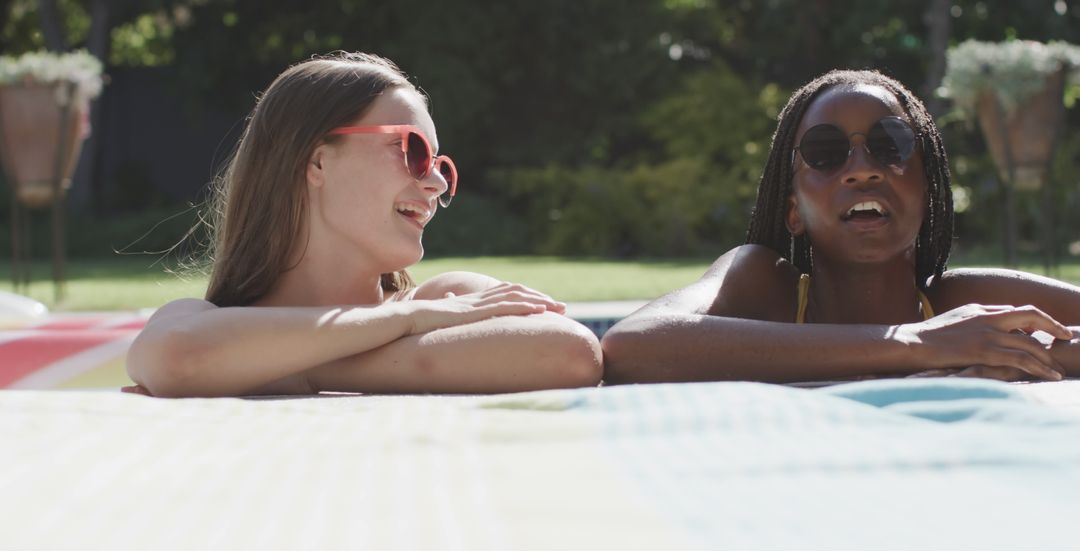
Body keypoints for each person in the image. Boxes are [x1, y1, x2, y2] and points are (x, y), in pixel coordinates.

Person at [126, 52, 602, 397]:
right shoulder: (199, 321)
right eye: (412, 149)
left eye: (440, 163)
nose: (436, 182)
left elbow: (569, 351)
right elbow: (179, 359)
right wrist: (403, 325)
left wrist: (299, 368)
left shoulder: (445, 299)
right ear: (315, 163)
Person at [601, 69, 1080, 385]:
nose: (861, 169)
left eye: (890, 144)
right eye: (826, 153)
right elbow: (630, 346)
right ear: (793, 210)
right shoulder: (764, 288)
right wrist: (919, 345)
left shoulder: (963, 306)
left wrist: (1032, 357)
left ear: (928, 194)